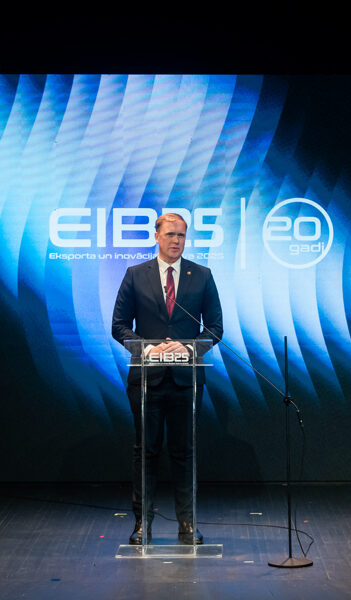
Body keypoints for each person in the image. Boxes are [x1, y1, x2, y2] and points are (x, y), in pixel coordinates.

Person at [112, 213, 223, 545]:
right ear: (156, 236)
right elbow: (119, 325)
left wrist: (188, 347)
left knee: (184, 452)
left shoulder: (201, 276)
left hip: (186, 380)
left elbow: (215, 328)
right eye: (171, 234)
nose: (177, 240)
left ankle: (187, 524)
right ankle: (142, 525)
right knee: (145, 452)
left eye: (182, 235)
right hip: (147, 380)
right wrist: (146, 349)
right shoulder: (136, 275)